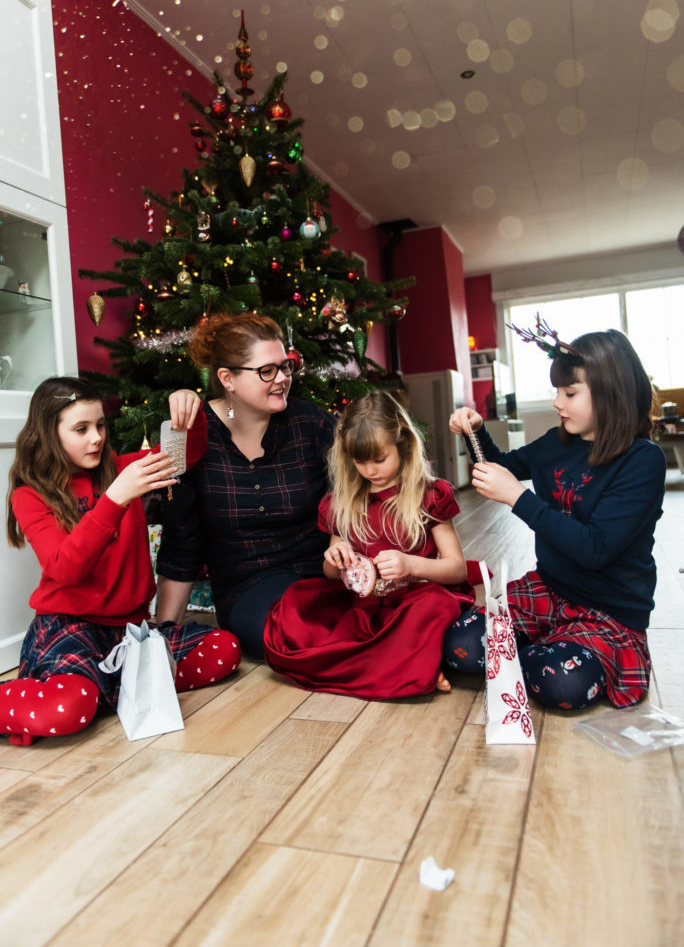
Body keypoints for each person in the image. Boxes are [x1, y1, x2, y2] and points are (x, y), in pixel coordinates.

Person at [3, 376, 241, 747]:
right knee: (68, 710)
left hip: (130, 631)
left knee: (223, 649)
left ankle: (101, 685)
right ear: (49, 433)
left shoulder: (124, 469)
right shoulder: (31, 495)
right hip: (72, 627)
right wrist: (115, 499)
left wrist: (188, 410)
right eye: (81, 429)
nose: (96, 437)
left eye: (99, 425)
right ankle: (91, 688)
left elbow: (185, 454)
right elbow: (65, 568)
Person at [445, 324, 666, 710]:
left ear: (610, 393)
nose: (557, 403)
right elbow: (502, 465)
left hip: (609, 610)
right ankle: (551, 640)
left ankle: (553, 645)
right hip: (550, 590)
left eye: (570, 393)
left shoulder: (642, 460)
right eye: (557, 392)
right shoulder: (556, 441)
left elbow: (595, 549)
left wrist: (518, 498)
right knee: (460, 647)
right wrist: (475, 431)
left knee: (561, 684)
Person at [263, 390, 476, 699]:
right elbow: (332, 574)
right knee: (295, 604)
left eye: (379, 459)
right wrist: (336, 558)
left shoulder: (429, 495)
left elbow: (456, 569)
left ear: (402, 444)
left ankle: (408, 664)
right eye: (360, 461)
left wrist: (411, 564)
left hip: (415, 597)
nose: (371, 470)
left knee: (433, 606)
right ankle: (410, 663)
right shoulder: (341, 502)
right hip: (364, 604)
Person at [155, 313, 337, 658]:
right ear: (227, 378)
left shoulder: (311, 422)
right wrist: (164, 639)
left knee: (358, 616)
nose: (283, 378)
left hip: (323, 573)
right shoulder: (190, 435)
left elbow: (362, 488)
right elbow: (181, 547)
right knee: (295, 636)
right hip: (249, 588)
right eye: (267, 371)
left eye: (286, 366)